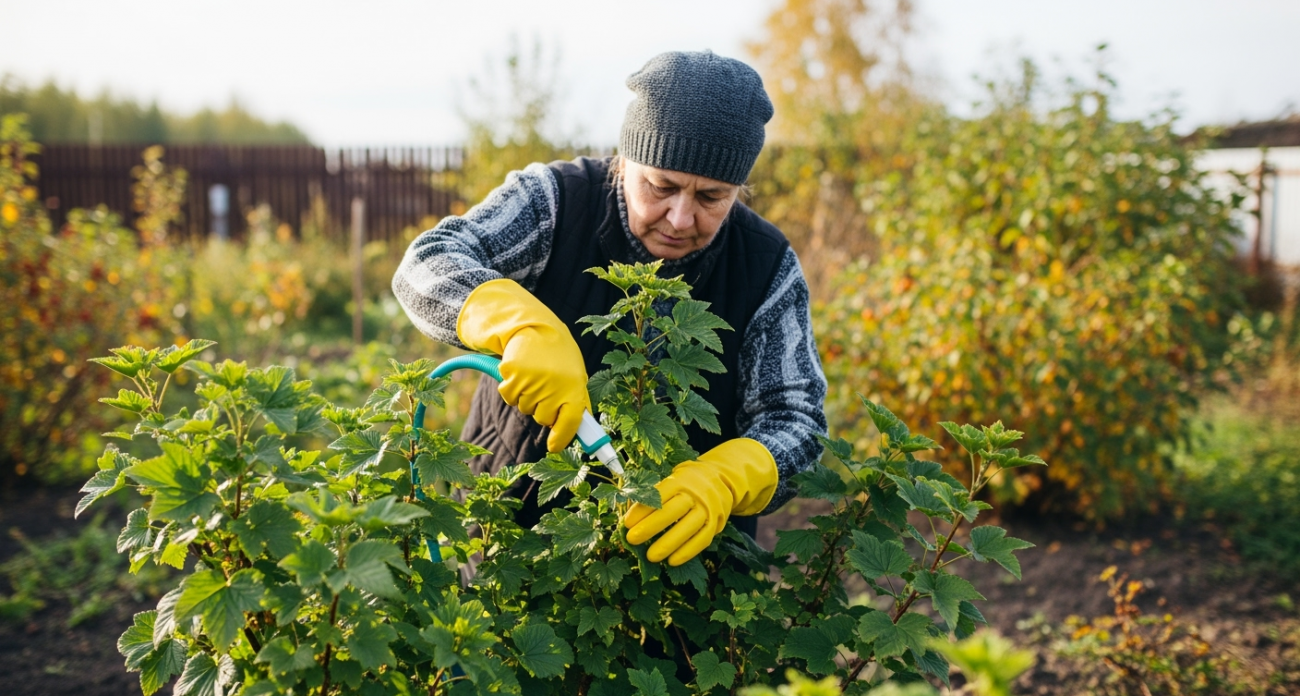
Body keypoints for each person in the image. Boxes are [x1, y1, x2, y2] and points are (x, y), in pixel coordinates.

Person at [392, 50, 826, 567]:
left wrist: (731, 478)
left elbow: (797, 418)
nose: (681, 217)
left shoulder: (767, 265)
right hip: (510, 536)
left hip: (679, 563)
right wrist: (516, 325)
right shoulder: (555, 201)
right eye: (660, 187)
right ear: (624, 161)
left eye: (712, 197)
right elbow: (428, 261)